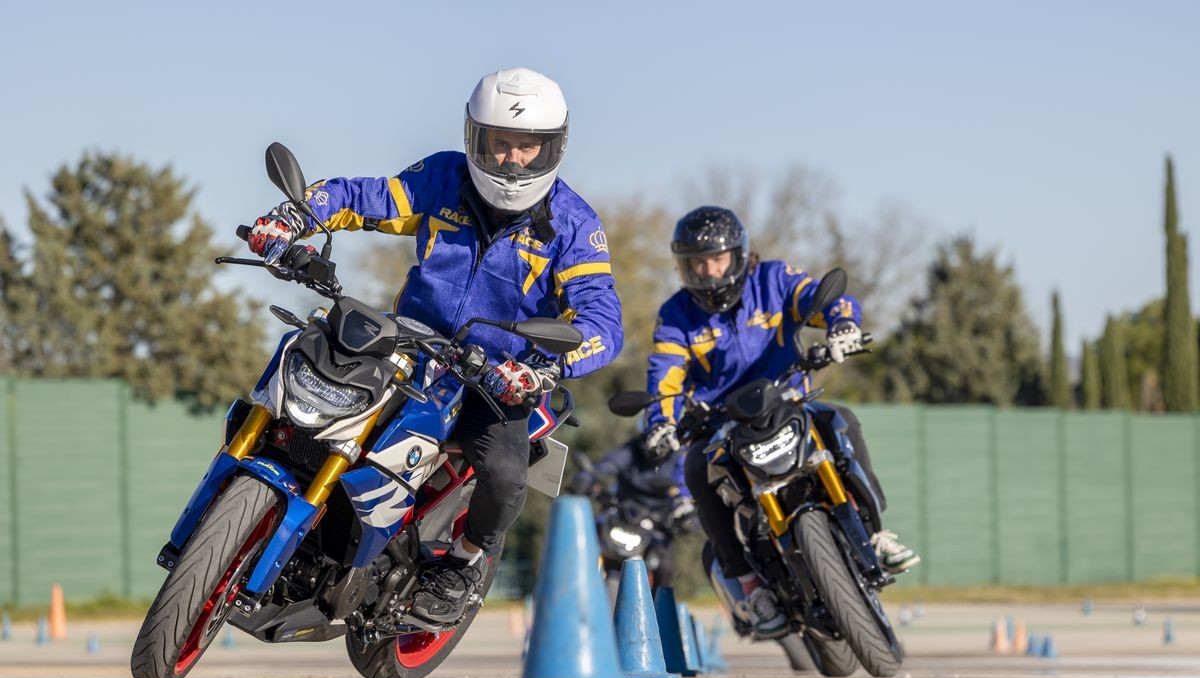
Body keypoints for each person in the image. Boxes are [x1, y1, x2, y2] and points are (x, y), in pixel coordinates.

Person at [244, 67, 623, 625]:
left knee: (505, 475)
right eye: (499, 143)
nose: (512, 159)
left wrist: (543, 369)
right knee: (314, 372)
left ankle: (464, 562)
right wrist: (294, 217)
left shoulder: (573, 224)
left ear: (552, 148)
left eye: (527, 146)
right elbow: (367, 198)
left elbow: (602, 322)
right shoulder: (443, 177)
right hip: (408, 347)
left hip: (497, 379)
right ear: (476, 138)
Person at [643, 205, 917, 636]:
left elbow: (822, 299)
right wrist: (661, 422)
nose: (708, 272)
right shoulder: (676, 314)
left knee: (841, 418)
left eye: (716, 260)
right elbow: (665, 373)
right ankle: (751, 587)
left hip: (790, 399)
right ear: (683, 266)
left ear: (738, 255)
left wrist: (843, 326)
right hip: (722, 424)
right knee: (697, 468)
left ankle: (875, 533)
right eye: (696, 263)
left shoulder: (773, 279)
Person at [568, 437, 696, 587]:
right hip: (620, 513)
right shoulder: (631, 449)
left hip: (657, 522)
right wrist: (585, 478)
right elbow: (606, 465)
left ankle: (659, 600)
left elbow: (686, 490)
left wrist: (686, 513)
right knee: (581, 541)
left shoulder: (679, 459)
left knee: (665, 567)